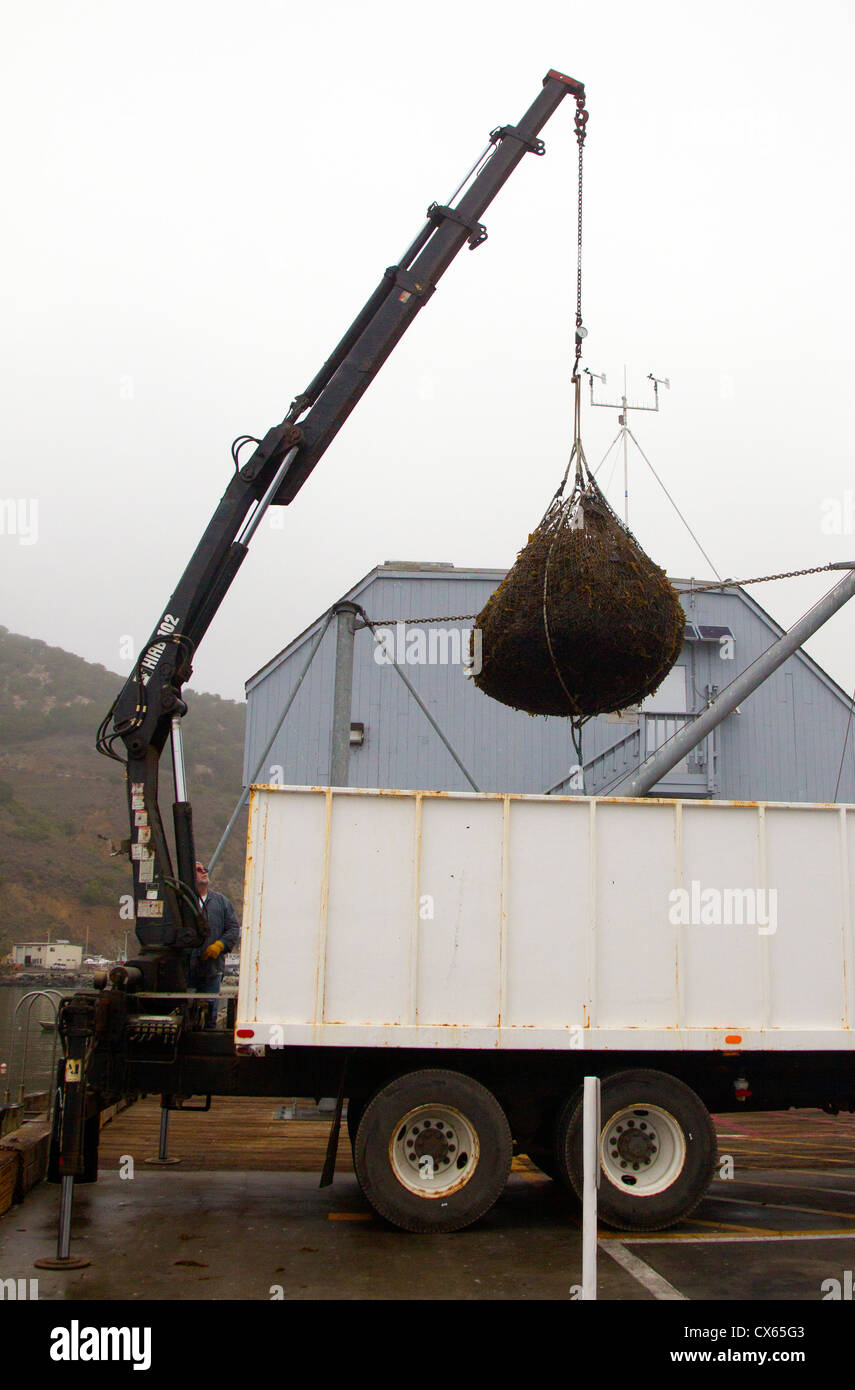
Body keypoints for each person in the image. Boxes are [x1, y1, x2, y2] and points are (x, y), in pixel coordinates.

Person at [186, 860, 240, 1027]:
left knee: (209, 1013)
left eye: (204, 869)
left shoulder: (221, 902)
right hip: (185, 969)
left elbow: (233, 929)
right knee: (184, 1011)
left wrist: (220, 945)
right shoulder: (182, 902)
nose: (204, 871)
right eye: (198, 870)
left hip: (212, 969)